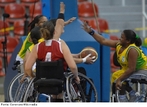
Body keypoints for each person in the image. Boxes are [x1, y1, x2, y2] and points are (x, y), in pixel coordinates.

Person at [25, 2, 80, 102]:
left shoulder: (37, 47)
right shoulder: (60, 44)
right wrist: (76, 77)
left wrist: (33, 77)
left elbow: (28, 67)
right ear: (54, 32)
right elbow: (72, 66)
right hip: (58, 80)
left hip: (42, 80)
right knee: (59, 92)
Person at [82, 21, 147, 102]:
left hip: (143, 70)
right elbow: (103, 41)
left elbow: (131, 69)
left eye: (122, 37)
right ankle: (128, 94)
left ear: (128, 41)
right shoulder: (119, 45)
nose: (119, 38)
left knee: (118, 78)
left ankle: (127, 96)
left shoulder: (132, 50)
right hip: (132, 70)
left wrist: (120, 80)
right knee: (116, 75)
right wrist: (91, 32)